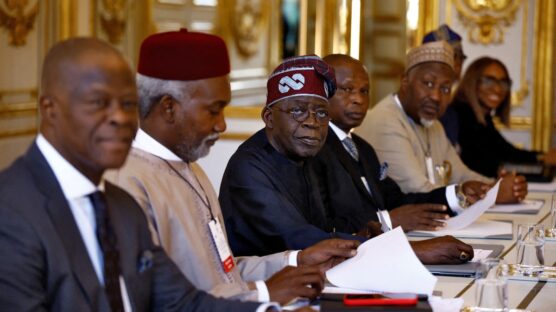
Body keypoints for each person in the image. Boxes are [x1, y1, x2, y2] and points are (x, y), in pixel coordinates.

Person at [0, 37, 263, 311]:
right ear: (49, 109)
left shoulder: (120, 206)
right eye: (98, 102)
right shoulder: (11, 212)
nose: (120, 118)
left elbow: (184, 302)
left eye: (127, 104)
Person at [106, 29, 358, 307]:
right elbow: (152, 302)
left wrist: (295, 260)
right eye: (213, 110)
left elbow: (220, 273)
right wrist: (263, 294)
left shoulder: (193, 170)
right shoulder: (125, 183)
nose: (222, 125)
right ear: (169, 108)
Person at [219, 55, 474, 265]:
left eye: (320, 113)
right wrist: (412, 250)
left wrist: (359, 235)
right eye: (297, 110)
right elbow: (300, 237)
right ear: (269, 118)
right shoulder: (250, 167)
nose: (312, 122)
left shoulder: (304, 153)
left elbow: (325, 228)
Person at [314, 54, 490, 234]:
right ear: (320, 91)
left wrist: (457, 195)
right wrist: (387, 220)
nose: (358, 99)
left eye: (364, 91)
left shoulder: (362, 148)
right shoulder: (313, 148)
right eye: (347, 89)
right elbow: (322, 222)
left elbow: (396, 201)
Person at [354, 41, 528, 204]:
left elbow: (461, 174)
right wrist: (493, 194)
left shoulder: (434, 125)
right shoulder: (386, 120)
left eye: (445, 88)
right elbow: (418, 191)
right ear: (405, 82)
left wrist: (498, 185)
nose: (436, 97)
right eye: (428, 83)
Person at [450, 56, 556, 178]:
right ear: (472, 81)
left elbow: (505, 151)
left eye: (503, 82)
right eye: (489, 81)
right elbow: (481, 164)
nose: (497, 88)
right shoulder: (462, 115)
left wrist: (542, 157)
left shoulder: (483, 118)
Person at [422, 24, 467, 148]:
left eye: (460, 57)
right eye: (452, 56)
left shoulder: (453, 112)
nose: (457, 63)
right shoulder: (420, 106)